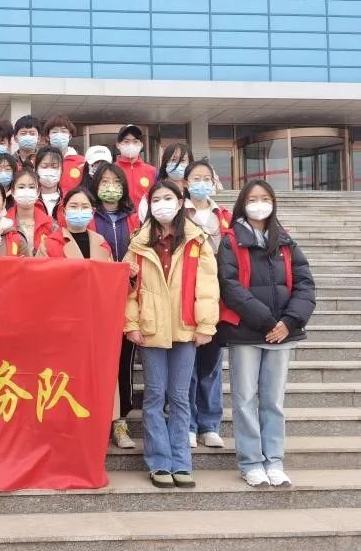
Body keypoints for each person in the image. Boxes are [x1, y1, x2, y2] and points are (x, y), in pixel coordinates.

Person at [218, 180, 315, 488]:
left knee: (273, 401)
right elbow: (230, 287)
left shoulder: (285, 241)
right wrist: (267, 322)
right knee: (245, 399)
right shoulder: (231, 240)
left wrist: (289, 322)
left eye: (264, 198)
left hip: (282, 333)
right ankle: (250, 462)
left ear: (273, 203)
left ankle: (274, 460)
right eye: (252, 198)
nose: (259, 203)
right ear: (242, 204)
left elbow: (305, 285)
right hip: (247, 333)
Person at [123, 181, 219, 489]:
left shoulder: (197, 241)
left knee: (179, 397)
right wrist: (131, 324)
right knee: (154, 395)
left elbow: (208, 287)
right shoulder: (138, 243)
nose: (162, 204)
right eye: (156, 199)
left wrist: (205, 325)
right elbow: (128, 291)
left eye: (168, 198)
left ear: (180, 203)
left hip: (185, 327)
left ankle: (181, 461)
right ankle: (159, 462)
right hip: (150, 328)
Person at [88, 162, 141, 448]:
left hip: (127, 299)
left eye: (116, 181)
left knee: (123, 362)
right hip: (95, 301)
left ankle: (120, 421)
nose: (110, 186)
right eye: (104, 181)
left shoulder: (134, 220)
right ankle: (95, 420)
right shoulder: (88, 216)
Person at [183, 160, 232, 450]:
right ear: (186, 183)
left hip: (216, 300)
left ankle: (209, 424)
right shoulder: (178, 213)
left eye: (207, 178)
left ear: (214, 182)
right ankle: (188, 423)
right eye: (196, 178)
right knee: (187, 366)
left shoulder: (224, 216)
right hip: (185, 297)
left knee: (211, 366)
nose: (202, 183)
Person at [37, 188, 111, 260]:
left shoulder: (102, 243)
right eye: (73, 206)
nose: (79, 210)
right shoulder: (49, 243)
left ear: (92, 212)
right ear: (64, 212)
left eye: (85, 207)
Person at [137, 143, 194, 222]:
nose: (177, 164)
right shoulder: (151, 196)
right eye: (173, 160)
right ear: (165, 163)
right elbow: (144, 224)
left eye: (182, 160)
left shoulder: (195, 194)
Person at [6, 168, 56, 254]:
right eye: (21, 187)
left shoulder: (51, 225)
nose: (26, 191)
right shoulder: (3, 224)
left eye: (31, 187)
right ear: (13, 192)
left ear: (38, 192)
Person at [115, 124, 156, 208]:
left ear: (141, 145)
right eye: (126, 141)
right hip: (120, 216)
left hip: (144, 216)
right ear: (118, 144)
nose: (131, 145)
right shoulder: (111, 170)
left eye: (135, 141)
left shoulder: (152, 171)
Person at [44, 115, 83, 194]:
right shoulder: (40, 161)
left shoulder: (81, 162)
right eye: (55, 132)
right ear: (48, 136)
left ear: (70, 136)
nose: (59, 135)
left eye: (63, 131)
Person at [34, 146, 63, 218]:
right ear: (36, 169)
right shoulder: (28, 199)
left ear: (61, 170)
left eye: (54, 167)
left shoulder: (68, 199)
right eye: (44, 166)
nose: (49, 170)